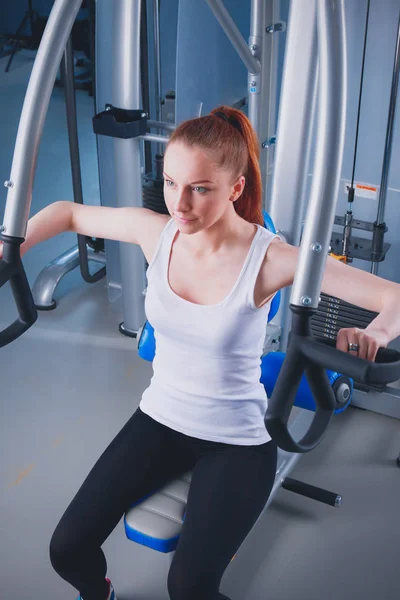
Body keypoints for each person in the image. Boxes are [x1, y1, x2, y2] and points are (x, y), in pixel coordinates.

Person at [1, 106, 399, 600]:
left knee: (190, 588)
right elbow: (66, 211)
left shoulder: (270, 258)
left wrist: (377, 333)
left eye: (199, 188)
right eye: (170, 183)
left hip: (236, 442)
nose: (180, 204)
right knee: (66, 549)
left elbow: (393, 298)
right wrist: (8, 250)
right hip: (159, 420)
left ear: (234, 189)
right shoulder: (158, 234)